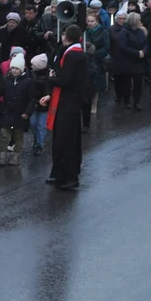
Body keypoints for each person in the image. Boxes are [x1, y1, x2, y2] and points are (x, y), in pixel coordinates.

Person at [44, 25, 86, 190]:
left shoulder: (73, 55)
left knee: (65, 141)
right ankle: (59, 173)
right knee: (62, 139)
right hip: (70, 102)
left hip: (68, 103)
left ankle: (69, 177)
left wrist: (51, 79)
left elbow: (65, 80)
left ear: (66, 37)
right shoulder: (75, 53)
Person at [0, 54, 35, 167]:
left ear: (21, 69)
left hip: (20, 114)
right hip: (7, 112)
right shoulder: (6, 80)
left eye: (17, 68)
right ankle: (2, 154)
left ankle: (16, 155)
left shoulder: (28, 82)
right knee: (4, 134)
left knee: (18, 136)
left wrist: (27, 112)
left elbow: (32, 99)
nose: (14, 70)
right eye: (12, 68)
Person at [111, 13, 147, 111]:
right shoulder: (124, 32)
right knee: (126, 83)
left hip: (139, 61)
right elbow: (122, 47)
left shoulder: (141, 31)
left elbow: (146, 43)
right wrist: (137, 53)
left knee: (138, 84)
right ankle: (126, 101)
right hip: (127, 61)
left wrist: (144, 51)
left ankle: (137, 101)